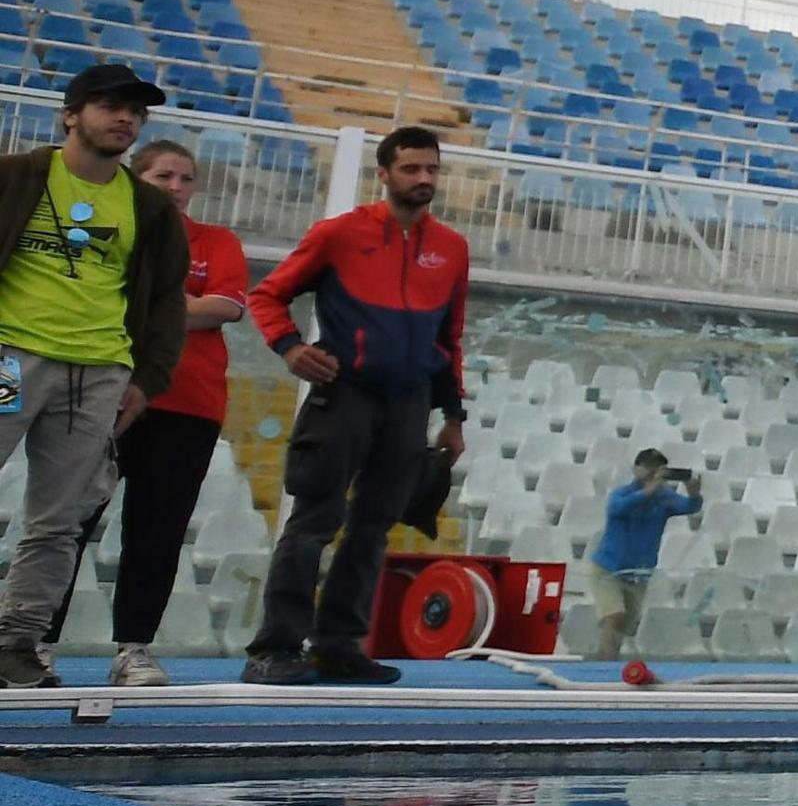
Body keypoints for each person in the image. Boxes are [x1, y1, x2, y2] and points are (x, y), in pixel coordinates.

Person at [241, 126, 469, 687]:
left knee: (374, 526)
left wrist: (454, 416)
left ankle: (338, 646)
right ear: (384, 173)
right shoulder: (338, 234)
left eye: (432, 170)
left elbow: (450, 336)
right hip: (344, 392)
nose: (423, 180)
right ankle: (274, 647)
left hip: (409, 402)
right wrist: (289, 347)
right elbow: (267, 294)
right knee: (315, 519)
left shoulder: (452, 248)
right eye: (412, 169)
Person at [0, 63, 194, 688]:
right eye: (111, 105)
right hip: (8, 358)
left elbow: (167, 300)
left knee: (59, 520)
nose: (125, 118)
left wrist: (147, 377)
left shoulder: (149, 208)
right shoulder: (17, 176)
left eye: (136, 111)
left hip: (99, 373)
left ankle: (16, 643)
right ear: (70, 114)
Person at [80, 140, 249, 688]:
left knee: (156, 530)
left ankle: (134, 648)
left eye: (185, 178)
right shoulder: (113, 233)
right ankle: (28, 642)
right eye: (162, 177)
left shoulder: (216, 240)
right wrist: (182, 306)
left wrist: (145, 305)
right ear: (135, 178)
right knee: (67, 523)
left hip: (188, 405)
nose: (175, 187)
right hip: (103, 395)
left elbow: (226, 306)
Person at [583, 449, 701, 660]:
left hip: (638, 574)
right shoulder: (622, 494)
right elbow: (617, 509)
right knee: (614, 616)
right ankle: (603, 669)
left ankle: (605, 662)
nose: (654, 474)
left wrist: (694, 493)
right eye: (650, 468)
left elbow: (689, 507)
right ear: (637, 469)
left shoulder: (665, 498)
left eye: (659, 470)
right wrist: (649, 490)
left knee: (621, 627)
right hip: (608, 570)